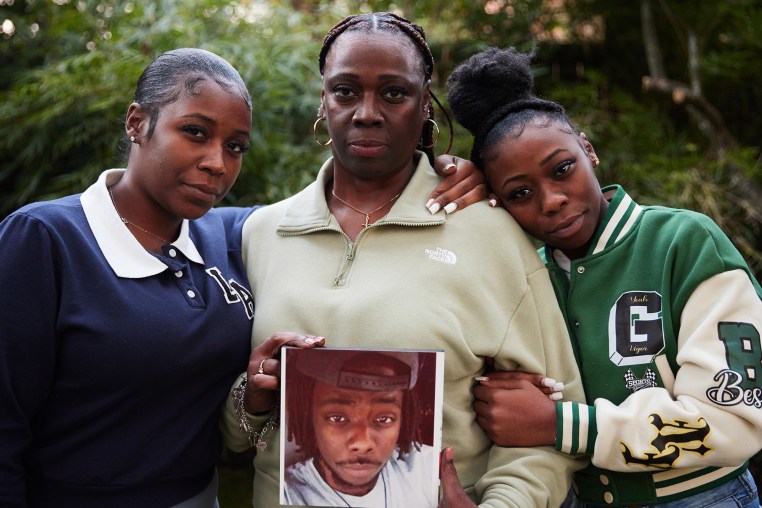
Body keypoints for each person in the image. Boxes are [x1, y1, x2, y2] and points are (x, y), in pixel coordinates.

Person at [0, 47, 481, 507]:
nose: (217, 163)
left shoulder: (232, 235)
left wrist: (459, 176)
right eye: (195, 132)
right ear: (137, 123)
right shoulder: (45, 238)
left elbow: (345, 211)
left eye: (236, 146)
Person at [220, 12, 588, 508]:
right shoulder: (263, 234)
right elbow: (237, 438)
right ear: (323, 102)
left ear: (424, 107)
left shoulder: (488, 232)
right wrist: (255, 394)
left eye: (393, 93)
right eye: (346, 91)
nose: (367, 112)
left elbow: (553, 418)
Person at [444, 46, 762, 507]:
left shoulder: (683, 243)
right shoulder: (524, 274)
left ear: (588, 149)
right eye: (520, 192)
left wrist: (560, 424)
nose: (551, 199)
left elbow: (735, 421)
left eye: (562, 169)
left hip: (703, 497)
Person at [282, 349, 438, 507]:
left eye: (384, 418)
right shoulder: (285, 493)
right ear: (309, 418)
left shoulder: (430, 469)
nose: (363, 444)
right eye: (337, 418)